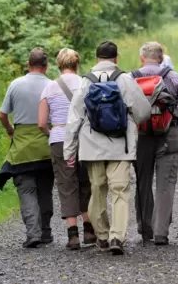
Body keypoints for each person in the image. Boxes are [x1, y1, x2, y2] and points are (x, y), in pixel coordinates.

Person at [64, 41, 151, 255]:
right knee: (119, 190)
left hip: (92, 145)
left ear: (96, 58)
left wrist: (69, 150)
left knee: (97, 189)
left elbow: (74, 118)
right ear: (116, 58)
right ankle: (116, 237)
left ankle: (101, 236)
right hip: (120, 144)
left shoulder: (86, 82)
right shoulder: (124, 79)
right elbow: (142, 111)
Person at [130, 42, 178, 246]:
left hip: (140, 135)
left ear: (142, 58)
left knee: (143, 181)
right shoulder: (173, 77)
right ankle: (161, 232)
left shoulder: (130, 78)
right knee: (165, 184)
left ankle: (145, 228)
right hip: (168, 133)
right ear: (161, 57)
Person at [38, 48, 96, 250]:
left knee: (66, 184)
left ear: (59, 65)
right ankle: (89, 230)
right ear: (76, 64)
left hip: (60, 139)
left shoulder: (50, 87)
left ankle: (72, 235)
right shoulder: (86, 84)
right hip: (84, 139)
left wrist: (51, 133)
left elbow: (41, 122)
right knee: (86, 182)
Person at [0, 48, 55, 248]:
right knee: (45, 190)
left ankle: (33, 233)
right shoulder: (52, 85)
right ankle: (46, 232)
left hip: (22, 149)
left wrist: (10, 130)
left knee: (27, 190)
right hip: (47, 146)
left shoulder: (15, 84)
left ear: (28, 65)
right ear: (46, 66)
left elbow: (2, 115)